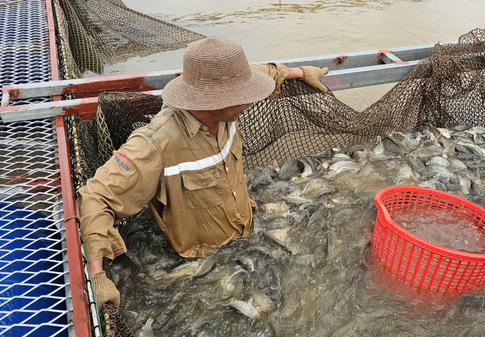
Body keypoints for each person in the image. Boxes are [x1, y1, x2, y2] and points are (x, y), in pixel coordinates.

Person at [77, 38, 330, 308]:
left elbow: (263, 72)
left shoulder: (228, 110)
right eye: (243, 94)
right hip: (202, 260)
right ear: (213, 99)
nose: (251, 99)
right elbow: (96, 197)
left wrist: (301, 73)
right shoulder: (157, 142)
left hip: (247, 231)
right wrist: (98, 276)